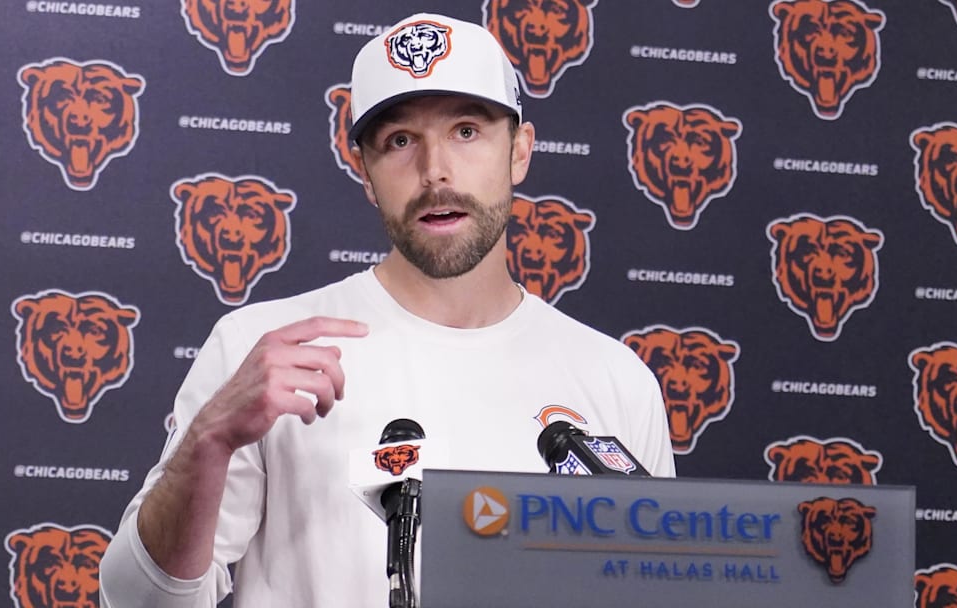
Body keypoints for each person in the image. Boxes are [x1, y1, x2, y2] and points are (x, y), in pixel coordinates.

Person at [99, 12, 675, 607]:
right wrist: (208, 443)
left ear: (521, 151)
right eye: (400, 142)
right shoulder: (264, 349)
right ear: (367, 174)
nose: (435, 173)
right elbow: (137, 600)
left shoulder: (616, 381)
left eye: (467, 131)